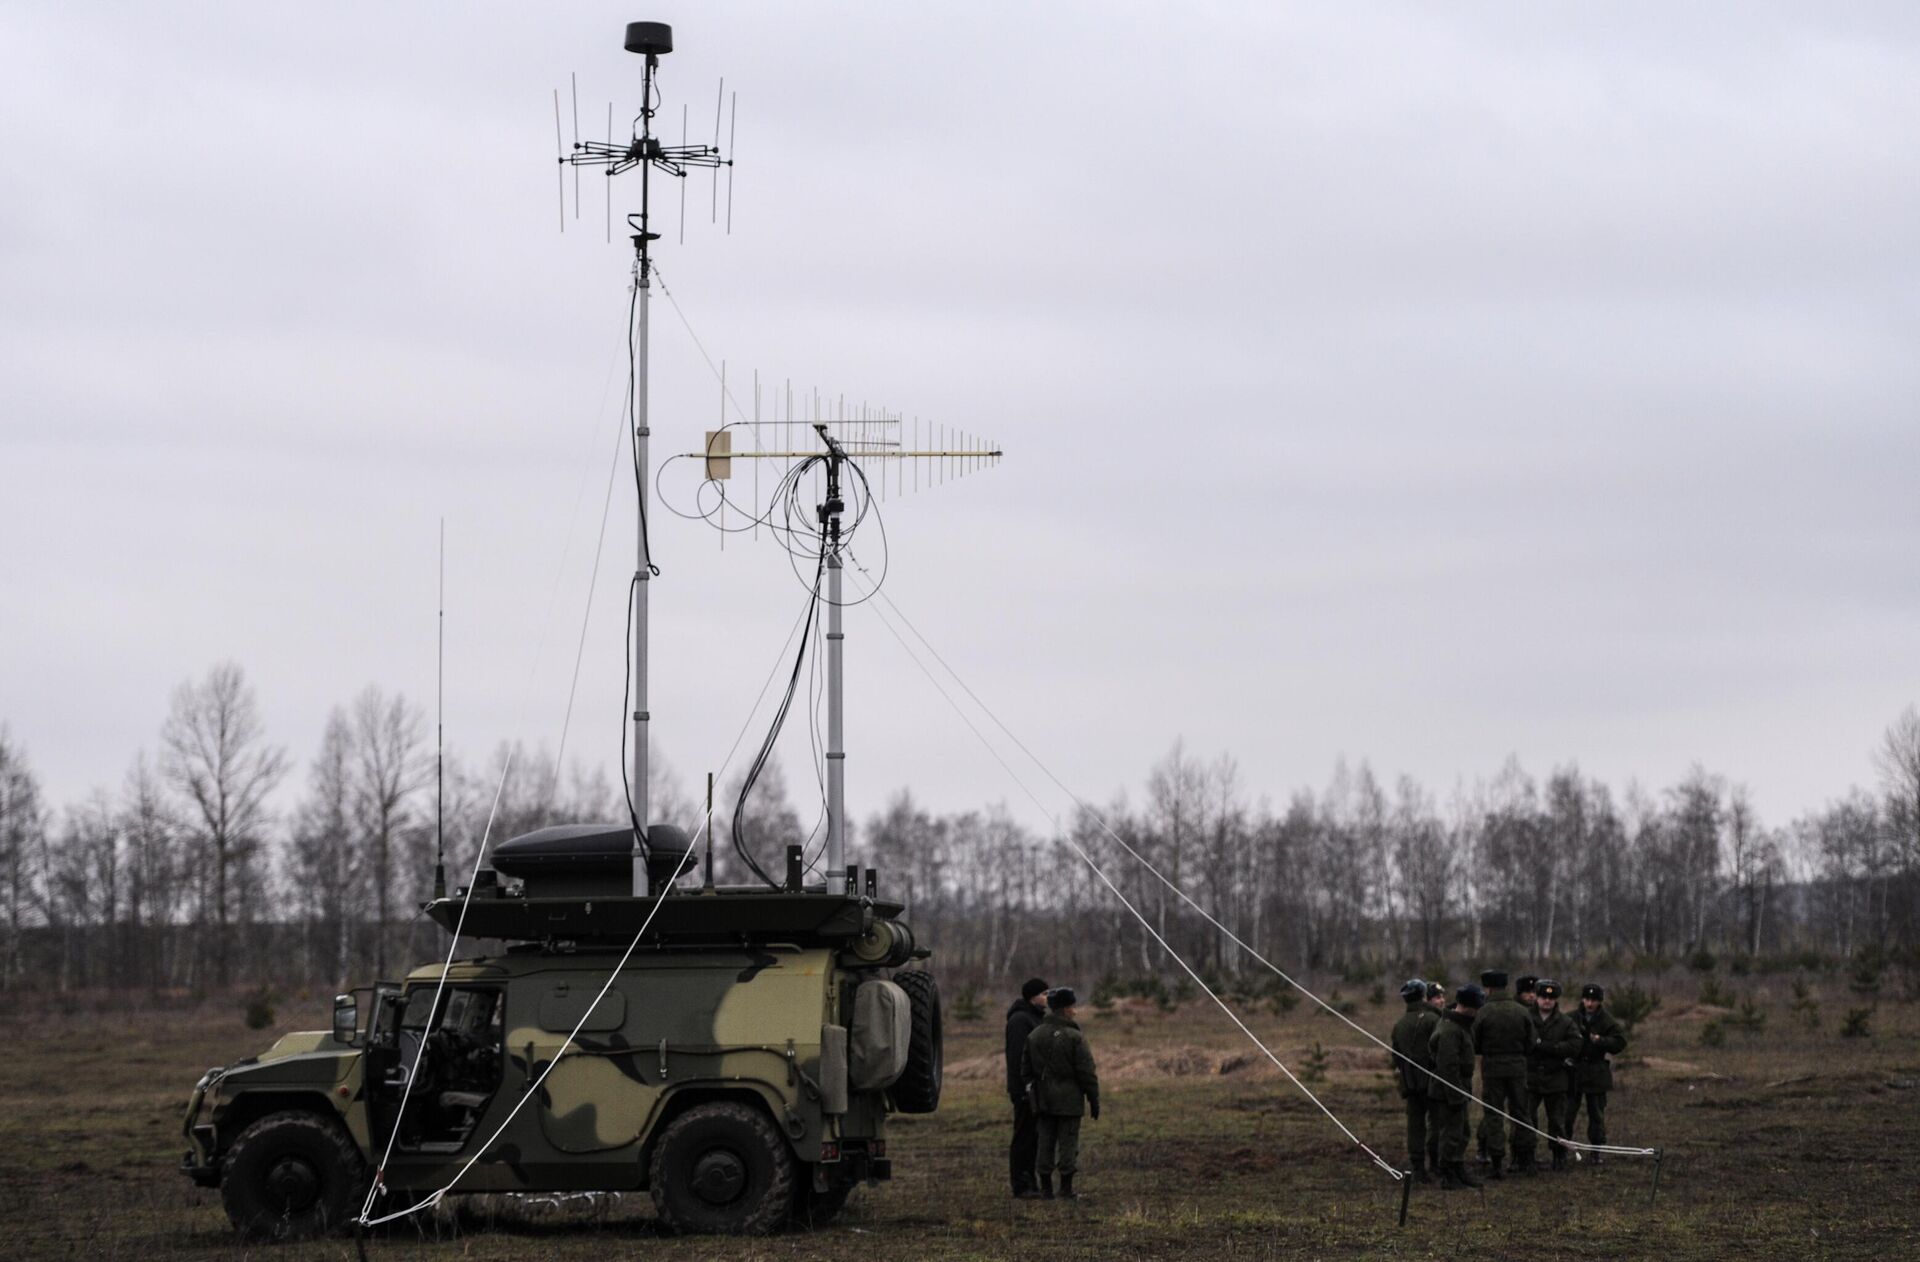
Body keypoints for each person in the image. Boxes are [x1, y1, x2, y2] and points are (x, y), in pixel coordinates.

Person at [1022, 986, 1101, 1200]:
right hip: (1069, 1100)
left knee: (1044, 1142)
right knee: (1068, 1143)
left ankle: (1046, 1189)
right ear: (1065, 1009)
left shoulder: (1034, 1035)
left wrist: (1033, 1095)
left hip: (1043, 1100)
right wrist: (1094, 1099)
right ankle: (1066, 1189)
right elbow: (1086, 1072)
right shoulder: (1074, 1036)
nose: (1074, 1011)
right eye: (1072, 1007)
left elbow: (1026, 1071)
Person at [1472, 968, 1537, 1178]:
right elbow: (1531, 1041)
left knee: (1494, 1115)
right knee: (1521, 1113)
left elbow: (1475, 1043)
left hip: (1492, 1069)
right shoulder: (1521, 1011)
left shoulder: (1483, 1012)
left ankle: (1497, 1161)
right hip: (1518, 1067)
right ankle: (1526, 1159)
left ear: (1488, 988)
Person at [1429, 984, 1484, 1190]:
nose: (1478, 1011)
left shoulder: (1461, 1025)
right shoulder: (1450, 1029)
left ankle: (1458, 1168)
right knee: (1450, 1134)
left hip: (1459, 1088)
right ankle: (1448, 1175)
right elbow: (1447, 1068)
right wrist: (1456, 1095)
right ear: (1468, 1007)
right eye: (1476, 1007)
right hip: (1448, 1091)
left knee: (1462, 1131)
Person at [1389, 978, 1444, 1182]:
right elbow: (1440, 1049)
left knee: (1415, 1125)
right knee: (1436, 1122)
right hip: (1432, 1080)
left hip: (1410, 1082)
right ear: (1423, 996)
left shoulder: (1400, 1024)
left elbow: (1396, 1056)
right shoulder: (1433, 1019)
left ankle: (1418, 1166)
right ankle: (1436, 1163)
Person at [1526, 979, 1582, 1170]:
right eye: (1543, 997)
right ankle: (1525, 1155)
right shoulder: (1526, 1017)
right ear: (1537, 997)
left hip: (1555, 1077)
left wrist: (1551, 1048)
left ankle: (1559, 1155)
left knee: (1558, 1121)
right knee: (1525, 1118)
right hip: (1530, 1076)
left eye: (1551, 998)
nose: (1547, 1001)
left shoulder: (1566, 1022)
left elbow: (1575, 1045)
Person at [1569, 982, 1628, 1161]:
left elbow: (1620, 1042)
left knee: (1596, 1114)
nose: (1589, 1004)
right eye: (1587, 999)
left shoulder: (1606, 1020)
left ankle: (1596, 1151)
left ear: (1599, 1002)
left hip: (1596, 1072)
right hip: (1574, 1071)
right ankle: (1562, 1150)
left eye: (1593, 1000)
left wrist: (1601, 1041)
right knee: (1567, 1113)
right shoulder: (1571, 1018)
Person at [1004, 976, 1049, 1197]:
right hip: (1025, 1089)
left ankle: (1030, 1183)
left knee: (1034, 1137)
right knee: (1024, 1136)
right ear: (1033, 997)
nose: (1047, 998)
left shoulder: (1034, 1018)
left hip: (1035, 1087)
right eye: (1044, 994)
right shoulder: (1020, 1021)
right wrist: (1024, 1088)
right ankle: (1021, 1184)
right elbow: (1017, 1057)